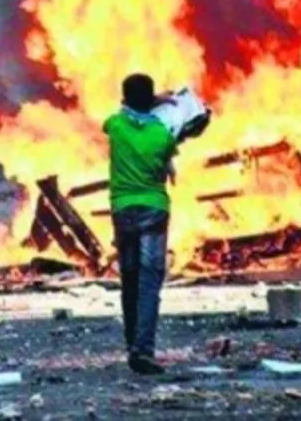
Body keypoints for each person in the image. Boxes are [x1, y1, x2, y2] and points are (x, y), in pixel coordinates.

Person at [105, 73, 178, 376]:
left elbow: (125, 110)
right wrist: (160, 102)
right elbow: (169, 161)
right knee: (150, 282)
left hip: (123, 211)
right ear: (149, 102)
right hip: (154, 211)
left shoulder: (115, 126)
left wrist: (150, 100)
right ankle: (143, 350)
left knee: (130, 280)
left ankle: (131, 344)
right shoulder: (163, 134)